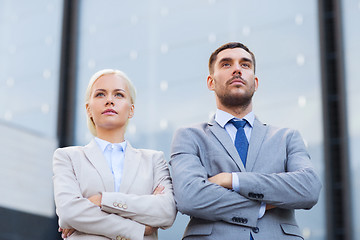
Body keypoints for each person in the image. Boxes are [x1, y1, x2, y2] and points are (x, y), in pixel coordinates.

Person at [170, 42, 322, 239]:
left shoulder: (287, 137)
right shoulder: (189, 136)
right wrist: (262, 205)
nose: (236, 70)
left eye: (245, 65)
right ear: (210, 82)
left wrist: (232, 180)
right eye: (226, 64)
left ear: (255, 82)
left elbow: (308, 188)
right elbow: (189, 197)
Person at [53, 69, 176, 240]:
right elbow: (68, 213)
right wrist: (137, 230)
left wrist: (103, 200)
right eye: (100, 94)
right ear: (88, 109)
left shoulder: (154, 160)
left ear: (131, 109)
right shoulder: (68, 157)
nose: (109, 100)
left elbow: (166, 212)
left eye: (118, 95)